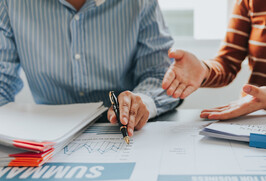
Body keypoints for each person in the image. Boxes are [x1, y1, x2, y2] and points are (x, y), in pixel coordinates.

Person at [0, 0, 179, 136]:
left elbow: (160, 73)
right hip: (47, 136)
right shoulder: (9, 4)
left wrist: (141, 101)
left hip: (124, 132)